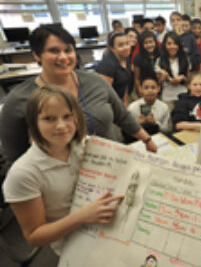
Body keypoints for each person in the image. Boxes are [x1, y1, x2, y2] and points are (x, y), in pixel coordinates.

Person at [0, 25, 156, 169]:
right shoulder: (19, 100)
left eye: (68, 50)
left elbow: (122, 116)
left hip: (110, 165)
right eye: (54, 51)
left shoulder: (96, 82)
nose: (63, 57)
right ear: (37, 55)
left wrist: (147, 140)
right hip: (61, 179)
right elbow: (15, 158)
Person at [2, 86, 125, 255]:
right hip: (74, 247)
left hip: (112, 232)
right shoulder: (23, 174)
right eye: (49, 119)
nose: (61, 126)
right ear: (34, 123)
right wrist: (82, 216)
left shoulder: (88, 145)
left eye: (67, 116)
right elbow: (34, 236)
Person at [96, 31, 132, 105]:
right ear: (112, 48)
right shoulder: (107, 65)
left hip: (121, 102)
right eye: (120, 45)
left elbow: (125, 84)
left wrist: (125, 103)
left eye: (127, 44)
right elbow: (104, 95)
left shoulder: (126, 58)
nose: (126, 47)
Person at [156, 32, 190, 103]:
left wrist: (182, 78)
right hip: (167, 98)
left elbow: (189, 80)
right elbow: (157, 83)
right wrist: (162, 78)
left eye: (175, 43)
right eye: (169, 44)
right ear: (164, 45)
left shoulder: (185, 59)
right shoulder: (159, 61)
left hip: (183, 96)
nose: (172, 46)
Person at [133, 30, 160, 95]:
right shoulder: (138, 58)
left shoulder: (160, 54)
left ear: (155, 42)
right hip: (145, 89)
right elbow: (137, 78)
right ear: (142, 45)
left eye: (151, 42)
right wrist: (140, 90)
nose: (149, 45)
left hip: (159, 88)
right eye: (146, 43)